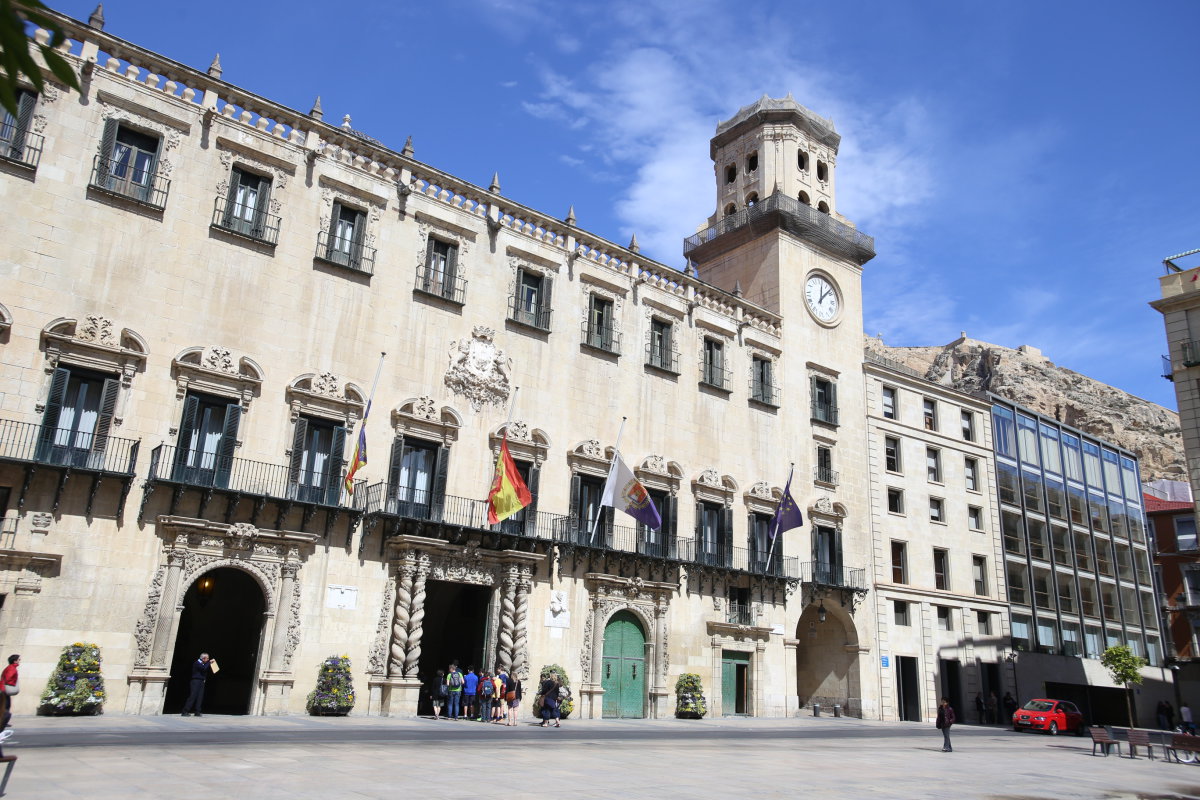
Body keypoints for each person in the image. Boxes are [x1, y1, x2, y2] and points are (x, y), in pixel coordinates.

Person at [180, 653, 214, 717]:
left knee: (200, 696)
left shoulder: (204, 663)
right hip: (196, 681)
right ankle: (185, 711)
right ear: (203, 658)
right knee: (193, 696)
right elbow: (203, 668)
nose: (208, 659)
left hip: (201, 681)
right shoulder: (197, 663)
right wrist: (209, 663)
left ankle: (197, 711)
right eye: (207, 658)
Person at [0, 654, 19, 741]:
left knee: (6, 706)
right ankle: (2, 723)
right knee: (6, 707)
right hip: (4, 691)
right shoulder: (12, 668)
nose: (19, 661)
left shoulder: (10, 667)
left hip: (3, 690)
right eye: (18, 660)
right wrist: (12, 685)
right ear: (14, 661)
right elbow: (8, 679)